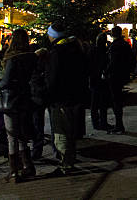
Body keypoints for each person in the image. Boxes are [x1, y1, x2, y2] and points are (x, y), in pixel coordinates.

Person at [0, 28, 38, 182]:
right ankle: (28, 165)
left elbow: (6, 81)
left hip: (11, 99)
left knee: (12, 135)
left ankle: (14, 171)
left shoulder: (13, 59)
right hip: (25, 98)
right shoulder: (32, 57)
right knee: (21, 135)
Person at [45, 21, 89, 175]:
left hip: (61, 98)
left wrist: (49, 95)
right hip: (75, 96)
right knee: (70, 131)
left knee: (61, 132)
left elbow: (53, 78)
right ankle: (69, 159)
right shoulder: (76, 48)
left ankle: (66, 164)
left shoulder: (57, 52)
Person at [106, 26, 133, 134]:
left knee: (116, 101)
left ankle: (119, 126)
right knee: (118, 100)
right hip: (122, 75)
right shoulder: (125, 44)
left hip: (115, 76)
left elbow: (113, 62)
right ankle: (119, 125)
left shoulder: (115, 46)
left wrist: (106, 72)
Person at [89, 32, 112, 131]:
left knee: (95, 103)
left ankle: (96, 123)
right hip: (101, 79)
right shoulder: (105, 51)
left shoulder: (92, 50)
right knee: (102, 103)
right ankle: (103, 122)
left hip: (94, 79)